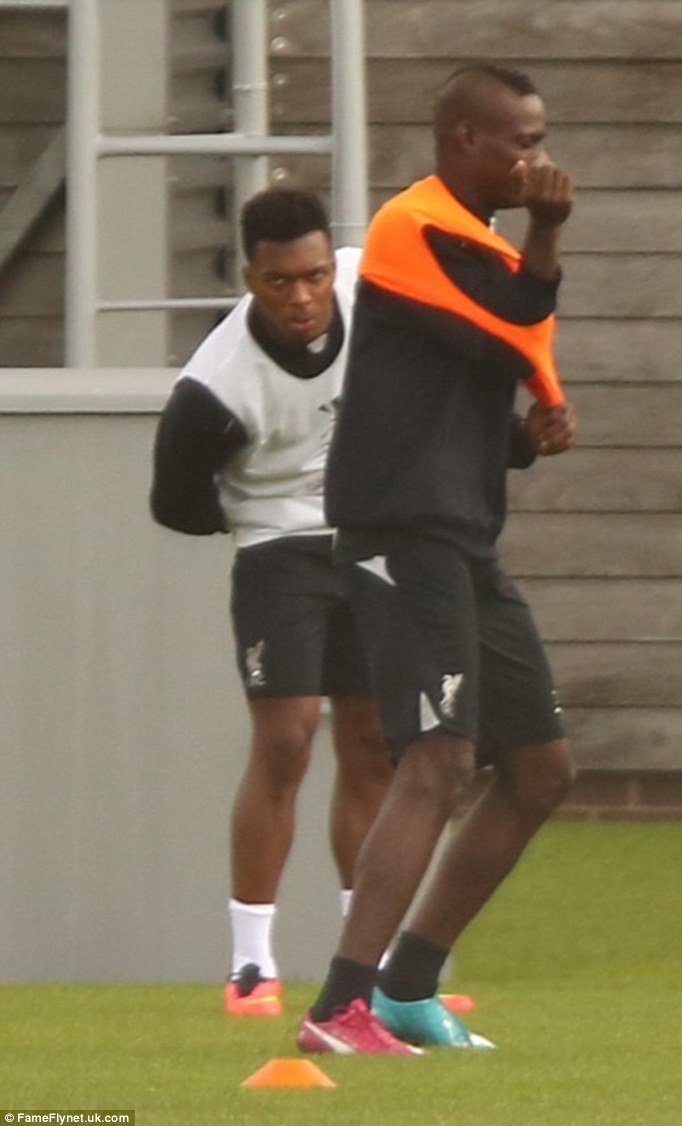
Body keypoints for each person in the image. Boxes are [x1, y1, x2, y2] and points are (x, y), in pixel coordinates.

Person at [295, 63, 578, 1056]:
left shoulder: (473, 241)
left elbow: (458, 379)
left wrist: (523, 436)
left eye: (540, 140)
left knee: (538, 768)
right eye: (522, 142)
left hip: (459, 536)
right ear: (465, 139)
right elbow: (518, 320)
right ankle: (337, 1007)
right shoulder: (409, 227)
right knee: (440, 756)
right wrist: (549, 231)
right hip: (400, 533)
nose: (537, 159)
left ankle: (409, 989)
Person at [150, 187, 393, 1017]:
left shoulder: (371, 284)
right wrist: (264, 517)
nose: (302, 296)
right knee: (286, 741)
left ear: (333, 265)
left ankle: (368, 962)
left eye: (315, 276)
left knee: (374, 742)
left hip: (368, 536)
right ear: (250, 278)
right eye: (281, 280)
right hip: (276, 551)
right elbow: (175, 502)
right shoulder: (213, 389)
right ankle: (251, 963)